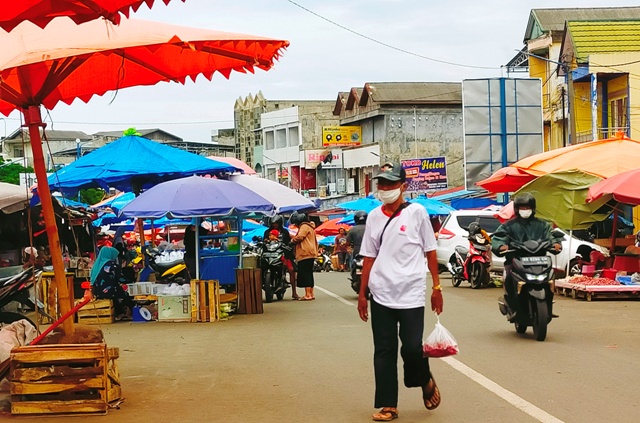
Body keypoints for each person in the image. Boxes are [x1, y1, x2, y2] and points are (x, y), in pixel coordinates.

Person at [357, 162, 443, 421]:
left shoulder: (416, 213)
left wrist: (437, 287)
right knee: (383, 350)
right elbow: (369, 258)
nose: (385, 189)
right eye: (381, 184)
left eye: (390, 184)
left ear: (403, 186)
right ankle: (388, 405)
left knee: (412, 348)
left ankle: (424, 379)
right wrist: (363, 294)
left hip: (411, 294)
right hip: (381, 292)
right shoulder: (373, 217)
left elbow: (430, 251)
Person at [491, 193, 563, 320]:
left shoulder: (543, 225)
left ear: (533, 208)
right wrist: (501, 246)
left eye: (527, 207)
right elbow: (499, 237)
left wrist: (556, 244)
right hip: (516, 261)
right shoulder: (508, 226)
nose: (525, 210)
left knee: (550, 279)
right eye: (522, 208)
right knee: (508, 281)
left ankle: (548, 305)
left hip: (540, 262)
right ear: (517, 209)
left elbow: (552, 236)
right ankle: (512, 304)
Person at [90, 246, 133, 321]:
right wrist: (131, 281)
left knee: (117, 289)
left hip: (97, 292)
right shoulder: (111, 264)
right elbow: (120, 278)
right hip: (109, 292)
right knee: (126, 293)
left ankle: (120, 312)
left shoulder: (97, 265)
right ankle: (124, 312)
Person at [263, 215, 298, 299]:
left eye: (276, 223)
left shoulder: (285, 232)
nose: (275, 225)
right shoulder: (267, 232)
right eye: (273, 223)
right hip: (269, 254)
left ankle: (294, 292)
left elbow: (288, 243)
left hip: (283, 254)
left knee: (291, 270)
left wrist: (289, 246)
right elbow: (264, 242)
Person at [290, 212, 318, 301]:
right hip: (310, 252)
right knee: (309, 273)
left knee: (305, 273)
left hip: (305, 252)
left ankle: (308, 294)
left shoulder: (304, 226)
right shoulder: (310, 226)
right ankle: (311, 293)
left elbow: (300, 237)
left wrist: (292, 241)